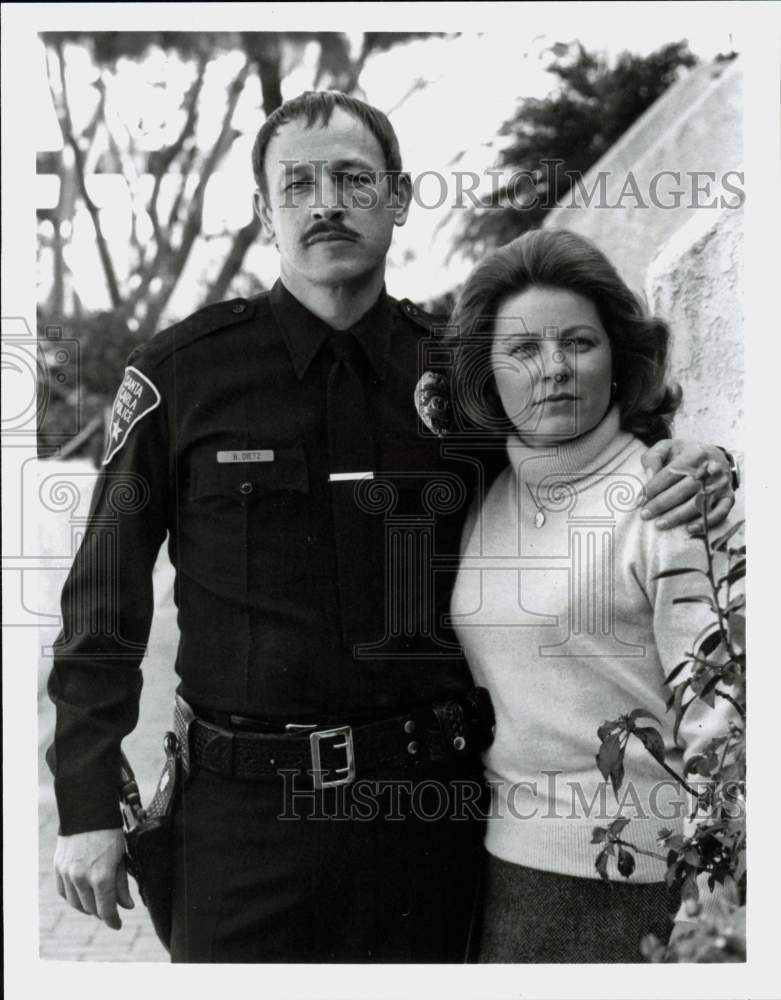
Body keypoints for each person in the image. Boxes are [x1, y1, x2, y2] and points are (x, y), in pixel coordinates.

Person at [48, 91, 736, 964]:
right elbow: (102, 605)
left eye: (351, 177)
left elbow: (573, 452)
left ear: (400, 199)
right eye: (296, 183)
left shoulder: (460, 378)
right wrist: (84, 810)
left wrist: (687, 456)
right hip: (241, 823)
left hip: (428, 815)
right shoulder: (184, 377)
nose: (325, 201)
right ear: (265, 213)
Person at [437, 228, 742, 962]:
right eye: (523, 351)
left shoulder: (670, 501)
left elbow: (724, 723)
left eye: (577, 343)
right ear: (488, 376)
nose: (553, 371)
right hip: (506, 877)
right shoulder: (483, 497)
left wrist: (714, 904)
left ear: (619, 358)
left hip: (646, 884)